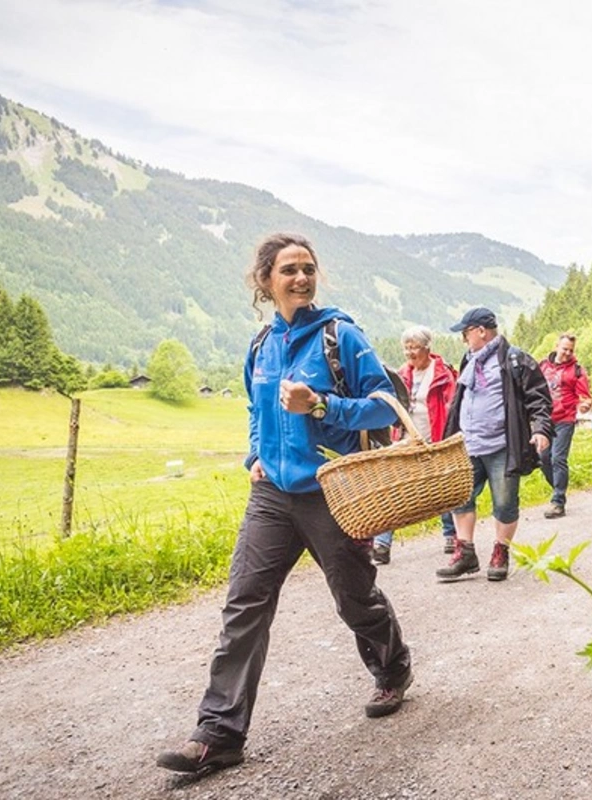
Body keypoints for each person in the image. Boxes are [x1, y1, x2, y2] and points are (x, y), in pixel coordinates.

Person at [156, 233, 412, 775]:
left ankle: (393, 668)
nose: (301, 278)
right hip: (271, 494)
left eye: (308, 269)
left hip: (330, 491)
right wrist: (255, 452)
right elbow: (255, 406)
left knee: (354, 598)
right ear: (265, 280)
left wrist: (321, 404)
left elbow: (384, 406)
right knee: (245, 604)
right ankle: (219, 732)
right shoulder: (259, 345)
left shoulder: (341, 336)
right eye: (289, 270)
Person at [435, 307, 553, 583]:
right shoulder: (469, 360)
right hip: (469, 443)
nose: (464, 339)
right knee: (460, 497)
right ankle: (465, 554)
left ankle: (501, 551)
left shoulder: (515, 360)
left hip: (502, 445)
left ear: (481, 331)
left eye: (466, 333)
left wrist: (541, 429)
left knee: (505, 503)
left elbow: (539, 398)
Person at [372, 325, 459, 564]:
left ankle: (451, 533)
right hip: (406, 440)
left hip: (434, 438)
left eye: (415, 348)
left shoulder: (442, 373)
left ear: (427, 348)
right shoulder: (402, 373)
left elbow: (452, 407)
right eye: (406, 348)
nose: (410, 353)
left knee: (441, 487)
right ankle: (381, 544)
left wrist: (449, 438)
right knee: (395, 489)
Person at [539, 333, 592, 519]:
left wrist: (585, 405)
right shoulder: (543, 366)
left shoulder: (577, 370)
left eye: (571, 350)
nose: (567, 353)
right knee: (543, 458)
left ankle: (558, 502)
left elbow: (585, 396)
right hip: (544, 419)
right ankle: (558, 489)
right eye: (565, 349)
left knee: (558, 458)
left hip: (565, 419)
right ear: (557, 346)